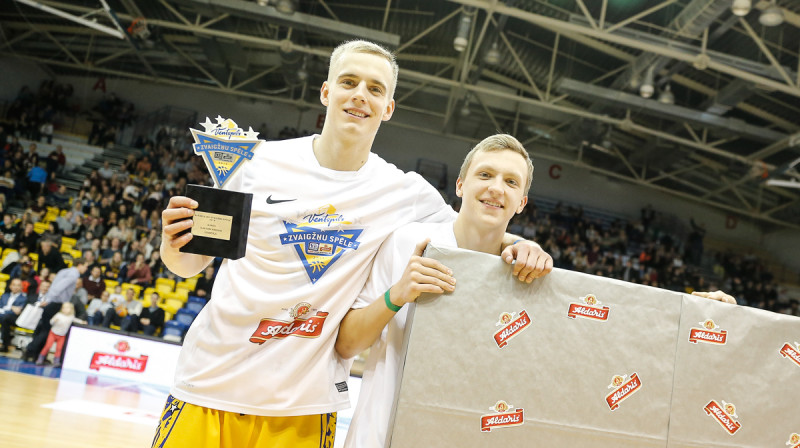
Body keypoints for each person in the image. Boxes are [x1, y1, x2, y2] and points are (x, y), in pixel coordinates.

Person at [155, 40, 550, 447]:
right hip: (208, 384)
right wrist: (173, 242)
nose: (360, 95)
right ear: (327, 92)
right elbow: (187, 265)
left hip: (303, 407)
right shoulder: (256, 164)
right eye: (349, 82)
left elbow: (474, 225)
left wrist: (520, 243)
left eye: (376, 89)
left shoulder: (404, 193)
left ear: (388, 108)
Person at [336, 134, 542, 447]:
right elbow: (347, 345)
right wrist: (397, 295)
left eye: (511, 182)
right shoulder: (406, 243)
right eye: (485, 174)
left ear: (522, 203)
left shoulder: (526, 274)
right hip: (378, 438)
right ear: (460, 185)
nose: (496, 188)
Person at [21, 259, 88, 361]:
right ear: (80, 265)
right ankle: (29, 351)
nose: (86, 269)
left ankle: (37, 354)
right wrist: (49, 299)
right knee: (46, 331)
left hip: (53, 302)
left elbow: (54, 286)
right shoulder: (73, 274)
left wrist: (48, 298)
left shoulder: (64, 271)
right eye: (85, 266)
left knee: (44, 330)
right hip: (55, 303)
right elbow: (58, 288)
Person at [36, 301, 77, 367]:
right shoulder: (59, 315)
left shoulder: (71, 317)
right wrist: (54, 321)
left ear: (71, 309)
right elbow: (51, 322)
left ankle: (56, 361)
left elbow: (75, 320)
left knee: (59, 348)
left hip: (62, 335)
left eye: (67, 308)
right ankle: (40, 358)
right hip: (53, 333)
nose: (65, 309)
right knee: (48, 346)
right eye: (64, 308)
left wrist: (82, 322)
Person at [0, 278, 27, 352]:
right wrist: (11, 308)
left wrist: (5, 310)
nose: (15, 287)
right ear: (10, 286)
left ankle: (5, 345)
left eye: (18, 285)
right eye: (14, 285)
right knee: (4, 318)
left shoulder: (24, 298)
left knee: (5, 318)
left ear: (21, 287)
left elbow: (17, 312)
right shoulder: (5, 295)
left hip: (15, 318)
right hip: (3, 316)